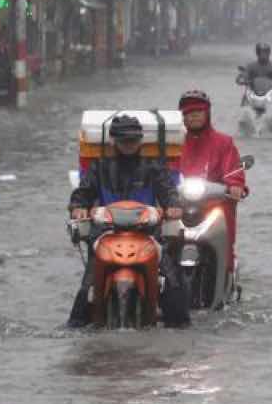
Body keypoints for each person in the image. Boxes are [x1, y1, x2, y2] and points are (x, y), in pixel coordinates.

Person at [67, 114, 190, 327]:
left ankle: (182, 330)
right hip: (106, 234)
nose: (129, 145)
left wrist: (173, 205)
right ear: (114, 140)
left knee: (172, 283)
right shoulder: (99, 167)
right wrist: (78, 207)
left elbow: (168, 189)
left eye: (133, 140)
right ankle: (75, 327)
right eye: (124, 140)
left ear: (140, 140)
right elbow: (82, 193)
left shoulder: (154, 166)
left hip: (148, 234)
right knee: (88, 286)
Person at [178, 90, 248, 268]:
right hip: (179, 205)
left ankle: (227, 271)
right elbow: (164, 171)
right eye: (188, 113)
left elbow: (233, 170)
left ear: (207, 114)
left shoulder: (224, 143)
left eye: (198, 112)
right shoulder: (174, 143)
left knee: (224, 239)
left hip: (213, 204)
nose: (193, 117)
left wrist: (235, 185)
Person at [239, 42, 272, 110]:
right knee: (245, 100)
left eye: (265, 52)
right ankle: (243, 114)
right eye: (261, 52)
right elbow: (245, 74)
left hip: (270, 93)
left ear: (269, 53)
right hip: (254, 92)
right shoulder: (251, 66)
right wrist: (242, 79)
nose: (263, 55)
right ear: (257, 53)